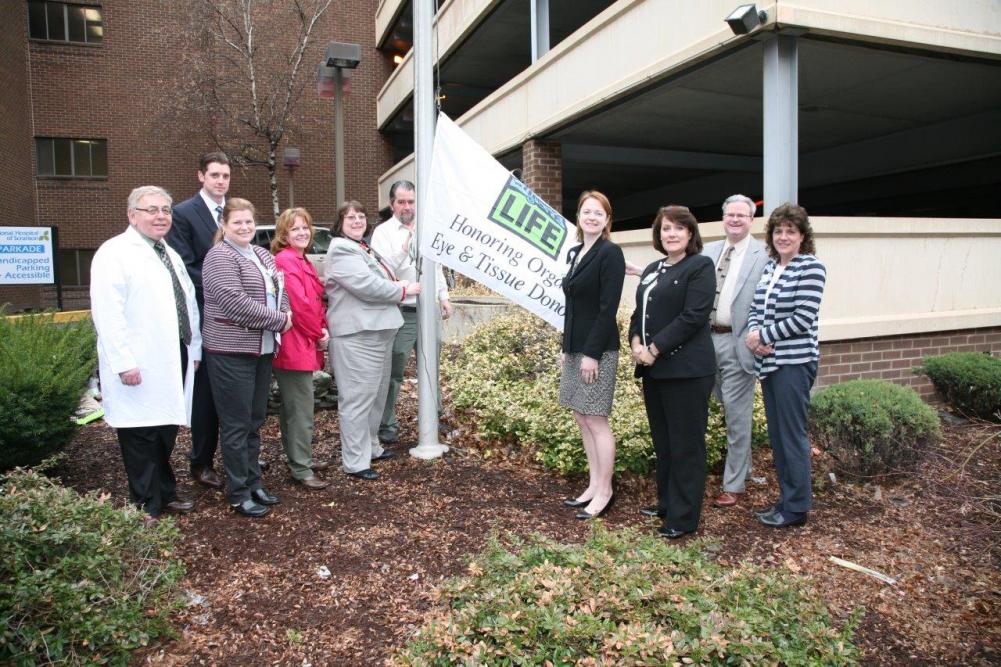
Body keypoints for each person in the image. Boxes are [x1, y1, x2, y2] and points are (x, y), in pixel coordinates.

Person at [90, 186, 201, 526]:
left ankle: (165, 491)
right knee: (140, 435)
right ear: (132, 215)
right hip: (138, 361)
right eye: (151, 209)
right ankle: (145, 505)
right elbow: (108, 314)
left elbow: (188, 304)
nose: (160, 216)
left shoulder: (169, 252)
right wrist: (123, 362)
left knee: (165, 429)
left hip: (173, 354)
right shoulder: (115, 252)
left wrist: (193, 346)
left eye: (166, 209)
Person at [629, 205, 716, 539]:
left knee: (686, 445)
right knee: (664, 442)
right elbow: (641, 311)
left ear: (690, 234)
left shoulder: (700, 266)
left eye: (679, 228)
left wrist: (654, 349)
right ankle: (666, 503)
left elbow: (693, 316)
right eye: (666, 228)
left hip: (687, 372)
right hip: (654, 371)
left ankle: (683, 517)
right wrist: (636, 340)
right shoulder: (653, 269)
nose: (672, 234)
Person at [201, 198, 291, 517]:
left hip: (262, 350)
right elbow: (235, 304)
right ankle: (238, 492)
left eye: (249, 222)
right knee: (236, 425)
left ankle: (254, 482)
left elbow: (281, 292)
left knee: (254, 422)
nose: (245, 227)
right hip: (231, 351)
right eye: (237, 222)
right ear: (224, 225)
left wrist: (285, 311)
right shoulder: (219, 257)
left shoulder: (263, 254)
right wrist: (280, 320)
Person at [324, 201, 420, 480]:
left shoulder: (363, 247)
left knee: (376, 395)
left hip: (379, 332)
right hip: (357, 336)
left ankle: (372, 447)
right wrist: (403, 290)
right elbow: (367, 286)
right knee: (357, 398)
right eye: (350, 217)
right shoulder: (341, 249)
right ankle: (355, 462)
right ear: (339, 223)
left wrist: (405, 251)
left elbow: (386, 271)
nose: (357, 221)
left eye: (361, 216)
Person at [745, 203, 826, 528]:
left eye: (790, 231)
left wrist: (763, 335)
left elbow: (803, 318)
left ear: (802, 235)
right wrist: (753, 334)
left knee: (792, 436)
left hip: (794, 364)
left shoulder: (811, 267)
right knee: (778, 437)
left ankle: (796, 509)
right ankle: (785, 499)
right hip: (769, 363)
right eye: (778, 231)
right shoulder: (770, 267)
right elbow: (755, 306)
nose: (783, 236)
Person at [166, 151, 231, 490]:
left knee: (232, 392)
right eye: (215, 175)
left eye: (225, 176)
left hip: (237, 320)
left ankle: (234, 454)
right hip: (206, 316)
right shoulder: (183, 214)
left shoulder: (233, 214)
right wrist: (226, 290)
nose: (221, 181)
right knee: (205, 394)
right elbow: (185, 266)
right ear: (201, 176)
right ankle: (201, 461)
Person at [369, 180, 451, 445]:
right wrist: (404, 249)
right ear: (392, 204)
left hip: (429, 311)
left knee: (432, 365)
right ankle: (387, 422)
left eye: (411, 201)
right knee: (395, 369)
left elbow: (435, 266)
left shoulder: (428, 227)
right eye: (401, 202)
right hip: (401, 312)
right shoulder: (383, 232)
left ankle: (434, 415)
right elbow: (381, 272)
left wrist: (443, 296)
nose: (407, 207)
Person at [559, 191, 625, 520]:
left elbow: (607, 308)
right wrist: (566, 348)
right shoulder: (576, 252)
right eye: (587, 211)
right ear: (579, 216)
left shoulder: (610, 253)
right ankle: (592, 484)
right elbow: (571, 306)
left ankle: (606, 490)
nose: (592, 217)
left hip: (597, 350)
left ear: (607, 219)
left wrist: (591, 354)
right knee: (581, 417)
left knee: (596, 419)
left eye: (599, 213)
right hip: (575, 347)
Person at [703, 194, 769, 508]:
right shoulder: (709, 250)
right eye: (730, 215)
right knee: (714, 405)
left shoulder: (764, 254)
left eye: (742, 215)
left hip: (738, 342)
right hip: (704, 341)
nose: (735, 220)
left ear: (751, 219)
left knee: (736, 416)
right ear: (723, 217)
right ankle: (742, 466)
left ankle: (734, 484)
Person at [271, 207, 331, 490]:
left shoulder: (301, 259)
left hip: (303, 342)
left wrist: (321, 328)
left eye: (305, 227)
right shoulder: (286, 260)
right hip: (294, 346)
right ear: (284, 234)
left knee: (293, 409)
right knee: (301, 410)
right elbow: (300, 306)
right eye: (295, 229)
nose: (302, 232)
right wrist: (319, 332)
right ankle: (301, 467)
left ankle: (299, 458)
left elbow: (316, 301)